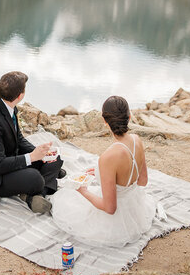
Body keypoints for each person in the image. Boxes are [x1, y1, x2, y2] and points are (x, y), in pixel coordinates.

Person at [51, 95, 158, 246]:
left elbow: (110, 208)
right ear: (129, 116)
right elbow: (142, 181)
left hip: (115, 222)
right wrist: (100, 172)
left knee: (66, 199)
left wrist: (82, 190)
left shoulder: (108, 157)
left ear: (104, 120)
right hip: (135, 210)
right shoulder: (137, 140)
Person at [0, 71, 64, 213]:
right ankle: (39, 189)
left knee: (54, 158)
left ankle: (35, 194)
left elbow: (19, 140)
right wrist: (32, 157)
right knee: (35, 178)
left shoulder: (9, 107)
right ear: (20, 96)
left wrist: (41, 153)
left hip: (8, 161)